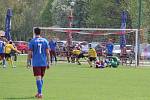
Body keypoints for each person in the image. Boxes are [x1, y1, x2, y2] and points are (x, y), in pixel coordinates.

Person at [27, 27, 50, 99]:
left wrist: (28, 62)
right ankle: (38, 92)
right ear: (40, 32)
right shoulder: (45, 41)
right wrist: (48, 62)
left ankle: (40, 93)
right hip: (43, 62)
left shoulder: (32, 41)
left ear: (34, 32)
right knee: (41, 78)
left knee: (38, 78)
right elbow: (48, 53)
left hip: (36, 63)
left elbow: (30, 53)